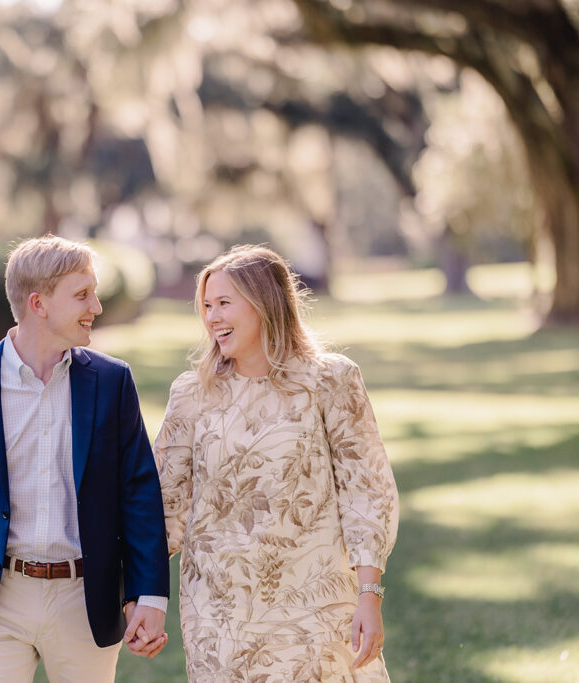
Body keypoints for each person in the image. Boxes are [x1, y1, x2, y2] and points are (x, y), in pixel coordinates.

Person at [0, 235, 170, 682]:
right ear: (39, 304)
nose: (97, 306)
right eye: (83, 295)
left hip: (83, 595)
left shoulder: (112, 381)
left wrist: (149, 594)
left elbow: (139, 492)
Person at [155, 245, 400, 681]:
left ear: (265, 303)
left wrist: (369, 594)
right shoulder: (192, 394)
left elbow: (367, 490)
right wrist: (138, 594)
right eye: (207, 306)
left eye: (225, 303)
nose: (212, 317)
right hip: (219, 613)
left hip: (316, 603)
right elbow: (164, 506)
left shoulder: (330, 380)